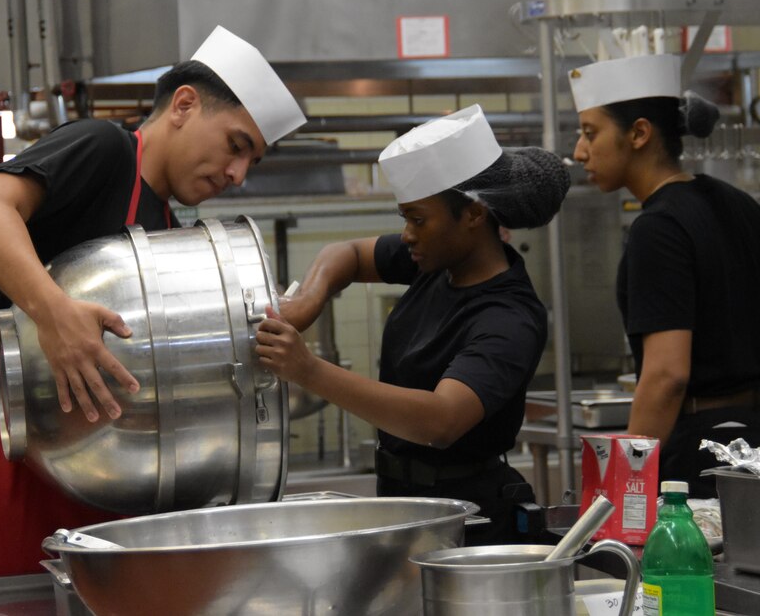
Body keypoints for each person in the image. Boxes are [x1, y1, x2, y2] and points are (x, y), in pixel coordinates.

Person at [0, 25, 306, 580]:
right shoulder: (105, 151)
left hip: (92, 465)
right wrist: (53, 314)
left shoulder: (169, 229)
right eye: (236, 145)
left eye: (252, 162)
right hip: (3, 442)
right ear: (185, 105)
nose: (237, 174)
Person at [255, 105, 570, 544]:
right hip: (405, 497)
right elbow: (345, 253)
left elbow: (440, 421)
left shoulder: (509, 317)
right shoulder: (436, 261)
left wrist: (308, 370)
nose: (406, 234)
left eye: (417, 219)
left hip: (469, 519)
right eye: (405, 217)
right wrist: (308, 301)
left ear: (474, 215)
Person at [569, 53, 760, 498]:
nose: (580, 151)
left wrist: (626, 484)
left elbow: (666, 375)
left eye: (590, 133)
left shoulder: (657, 229)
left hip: (699, 451)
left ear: (639, 133)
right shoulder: (739, 204)